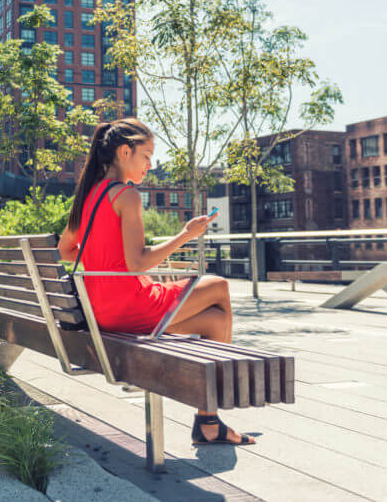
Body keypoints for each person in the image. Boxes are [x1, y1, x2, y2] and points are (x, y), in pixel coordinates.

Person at [56, 118, 254, 446]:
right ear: (124, 152)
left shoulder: (89, 194)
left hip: (101, 309)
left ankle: (209, 422)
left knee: (216, 320)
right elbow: (138, 263)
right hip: (129, 305)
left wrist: (102, 259)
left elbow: (66, 249)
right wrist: (186, 235)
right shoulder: (126, 195)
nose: (150, 164)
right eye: (146, 155)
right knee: (219, 286)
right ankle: (211, 413)